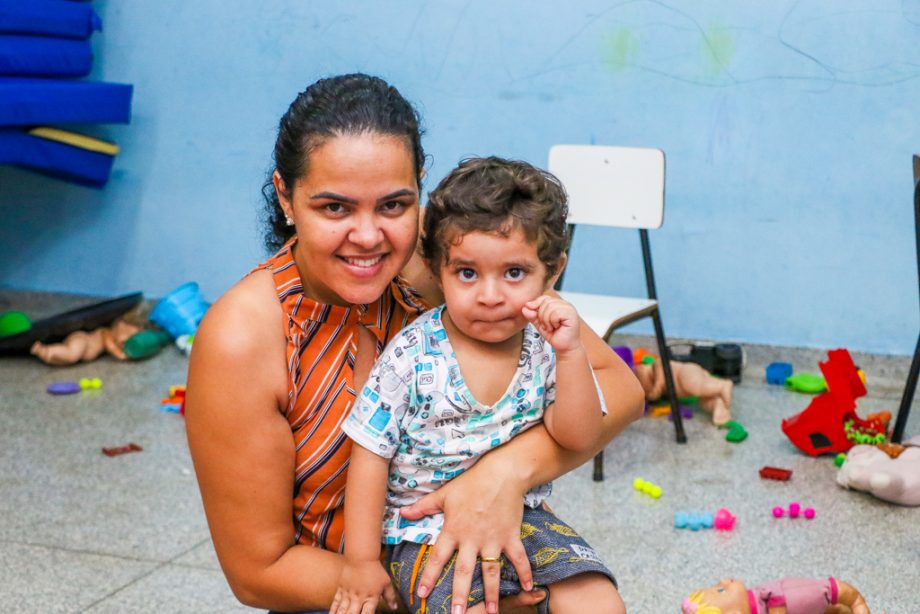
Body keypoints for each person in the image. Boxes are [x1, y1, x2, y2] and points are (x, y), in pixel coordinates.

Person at [185, 74, 645, 613]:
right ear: (286, 196)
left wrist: (500, 476)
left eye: (394, 205)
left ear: (419, 189)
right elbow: (261, 573)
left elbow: (620, 387)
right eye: (334, 208)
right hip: (352, 595)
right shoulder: (244, 336)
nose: (368, 236)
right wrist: (443, 596)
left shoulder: (449, 260)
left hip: (480, 543)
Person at [331, 157, 624, 614]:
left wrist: (570, 355)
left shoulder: (548, 346)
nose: (490, 296)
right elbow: (369, 454)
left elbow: (578, 436)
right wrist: (362, 563)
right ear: (436, 268)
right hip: (423, 536)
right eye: (467, 273)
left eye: (514, 273)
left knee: (599, 601)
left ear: (553, 270)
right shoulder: (411, 354)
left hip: (523, 519)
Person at [681, 576, 870, 614]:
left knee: (839, 592)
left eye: (719, 588)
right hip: (791, 602)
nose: (723, 581)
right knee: (829, 605)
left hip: (789, 596)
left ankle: (856, 606)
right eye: (721, 590)